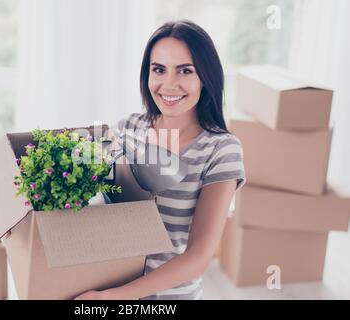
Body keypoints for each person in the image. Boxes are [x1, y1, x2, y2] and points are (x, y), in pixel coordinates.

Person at [75, 20, 246, 300]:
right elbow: (99, 205)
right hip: (108, 282)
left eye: (185, 71)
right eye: (159, 69)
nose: (169, 84)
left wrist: (118, 297)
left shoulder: (221, 149)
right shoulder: (129, 128)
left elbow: (199, 257)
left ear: (206, 77)